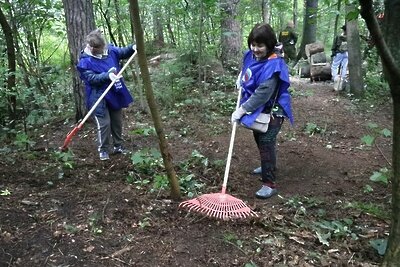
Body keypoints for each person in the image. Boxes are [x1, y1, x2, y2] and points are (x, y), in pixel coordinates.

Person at [232, 23, 294, 199]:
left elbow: (262, 94)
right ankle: (268, 164)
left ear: (269, 44)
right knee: (258, 135)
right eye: (253, 44)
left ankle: (269, 183)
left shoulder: (274, 64)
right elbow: (247, 67)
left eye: (260, 45)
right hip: (260, 108)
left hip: (274, 109)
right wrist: (240, 78)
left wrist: (241, 110)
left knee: (266, 140)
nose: (255, 49)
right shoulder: (252, 55)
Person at [77, 29, 136, 161]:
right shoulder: (85, 62)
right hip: (98, 96)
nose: (103, 49)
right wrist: (107, 75)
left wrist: (132, 47)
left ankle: (118, 146)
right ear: (92, 48)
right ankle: (103, 149)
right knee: (104, 123)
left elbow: (122, 52)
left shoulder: (110, 51)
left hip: (114, 92)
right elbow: (91, 78)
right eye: (100, 48)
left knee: (117, 121)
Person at [331, 25, 348, 91]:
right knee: (344, 66)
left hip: (339, 53)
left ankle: (335, 78)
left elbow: (334, 45)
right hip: (347, 53)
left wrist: (333, 52)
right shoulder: (350, 37)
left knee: (335, 66)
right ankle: (342, 79)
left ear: (343, 30)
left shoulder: (338, 37)